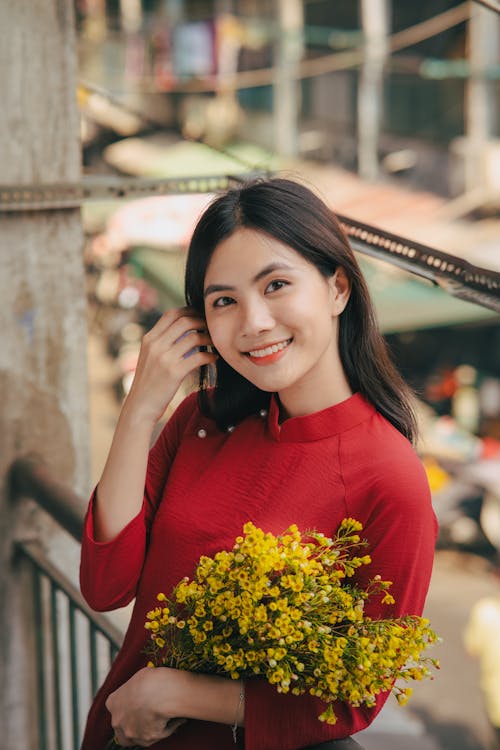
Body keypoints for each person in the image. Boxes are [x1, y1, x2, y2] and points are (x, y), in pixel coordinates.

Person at [80, 177, 437, 750]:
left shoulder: (389, 478)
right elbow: (105, 585)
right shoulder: (201, 420)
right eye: (224, 300)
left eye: (276, 285)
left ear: (338, 288)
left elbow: (353, 697)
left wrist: (173, 692)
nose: (254, 323)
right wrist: (142, 406)